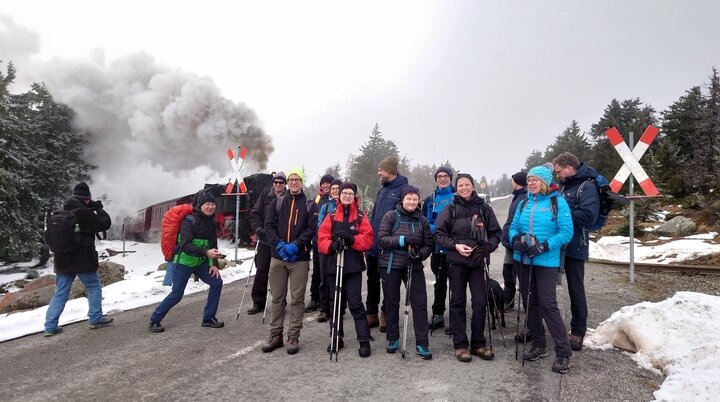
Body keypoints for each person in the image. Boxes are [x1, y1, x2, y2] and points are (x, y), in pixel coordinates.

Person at [509, 163, 574, 373]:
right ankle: (539, 345)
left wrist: (544, 246)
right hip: (524, 260)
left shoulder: (558, 202)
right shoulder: (524, 202)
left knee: (548, 305)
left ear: (545, 182)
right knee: (530, 304)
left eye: (534, 180)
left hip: (546, 262)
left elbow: (566, 233)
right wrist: (515, 240)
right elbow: (513, 227)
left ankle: (564, 353)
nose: (530, 183)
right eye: (528, 180)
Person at [434, 173, 501, 363]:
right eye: (460, 185)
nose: (464, 188)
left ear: (473, 186)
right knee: (458, 302)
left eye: (467, 184)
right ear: (456, 188)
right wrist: (455, 246)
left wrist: (489, 246)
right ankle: (461, 345)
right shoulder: (450, 209)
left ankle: (478, 343)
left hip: (478, 262)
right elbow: (439, 234)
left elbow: (496, 233)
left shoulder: (484, 208)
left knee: (480, 301)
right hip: (456, 262)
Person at [44, 182, 113, 336]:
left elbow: (48, 238)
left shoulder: (59, 214)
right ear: (87, 199)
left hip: (62, 261)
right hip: (83, 261)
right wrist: (98, 208)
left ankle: (50, 326)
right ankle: (95, 318)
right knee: (93, 287)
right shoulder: (83, 213)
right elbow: (105, 223)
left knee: (60, 293)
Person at [149, 193, 225, 333]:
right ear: (200, 205)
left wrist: (213, 263)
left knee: (216, 283)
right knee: (177, 295)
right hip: (183, 262)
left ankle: (208, 318)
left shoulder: (211, 222)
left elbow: (213, 244)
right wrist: (206, 253)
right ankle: (154, 319)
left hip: (200, 262)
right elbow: (185, 246)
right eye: (207, 204)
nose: (210, 207)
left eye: (213, 204)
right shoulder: (189, 221)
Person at [261, 168, 318, 354]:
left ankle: (293, 335)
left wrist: (295, 245)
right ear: (287, 183)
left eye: (297, 179)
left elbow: (311, 230)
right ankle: (275, 334)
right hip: (278, 257)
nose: (294, 182)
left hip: (299, 258)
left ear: (302, 182)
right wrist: (279, 245)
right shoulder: (277, 203)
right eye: (291, 180)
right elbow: (268, 226)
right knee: (277, 297)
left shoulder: (310, 205)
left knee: (297, 299)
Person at [317, 182, 373, 357]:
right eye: (344, 193)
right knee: (336, 303)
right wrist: (332, 245)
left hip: (353, 266)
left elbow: (368, 238)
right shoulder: (332, 216)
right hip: (335, 265)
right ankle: (336, 337)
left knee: (355, 303)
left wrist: (352, 240)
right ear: (339, 196)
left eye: (350, 193)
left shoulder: (361, 216)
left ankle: (363, 339)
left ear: (354, 196)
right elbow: (321, 239)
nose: (347, 196)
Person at [552, 152, 601, 352]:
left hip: (575, 246)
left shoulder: (586, 187)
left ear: (569, 168)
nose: (557, 176)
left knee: (575, 289)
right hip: (559, 245)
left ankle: (578, 331)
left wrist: (561, 212)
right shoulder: (567, 186)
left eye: (558, 172)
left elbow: (589, 216)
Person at [378, 185, 434, 359]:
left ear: (418, 201)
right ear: (402, 200)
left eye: (414, 199)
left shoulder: (422, 220)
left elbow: (428, 244)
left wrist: (421, 254)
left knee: (419, 303)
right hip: (391, 264)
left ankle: (422, 343)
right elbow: (382, 239)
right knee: (392, 302)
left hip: (413, 264)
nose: (411, 201)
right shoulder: (391, 216)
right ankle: (392, 338)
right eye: (408, 198)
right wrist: (402, 240)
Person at [366, 156, 408, 332]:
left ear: (390, 171)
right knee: (372, 279)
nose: (378, 173)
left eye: (381, 170)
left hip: (389, 246)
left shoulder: (403, 189)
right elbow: (375, 216)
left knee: (388, 282)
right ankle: (371, 313)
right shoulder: (382, 190)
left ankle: (385, 313)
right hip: (373, 245)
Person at [247, 171, 287, 315]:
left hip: (281, 240)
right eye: (276, 182)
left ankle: (281, 301)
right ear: (273, 183)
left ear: (285, 184)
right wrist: (257, 228)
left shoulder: (289, 197)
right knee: (262, 269)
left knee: (281, 272)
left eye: (281, 182)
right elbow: (255, 213)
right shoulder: (265, 195)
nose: (278, 185)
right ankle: (258, 302)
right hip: (264, 240)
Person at [422, 166, 455, 332]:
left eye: (445, 176)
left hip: (454, 248)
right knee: (439, 282)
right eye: (439, 176)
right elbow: (425, 221)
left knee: (457, 283)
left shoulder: (457, 196)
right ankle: (438, 315)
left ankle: (456, 318)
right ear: (436, 179)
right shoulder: (430, 198)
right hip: (437, 247)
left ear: (450, 178)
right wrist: (437, 230)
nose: (442, 179)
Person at [315, 179, 343, 323]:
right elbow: (320, 226)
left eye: (338, 188)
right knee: (324, 279)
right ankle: (324, 310)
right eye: (333, 189)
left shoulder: (347, 207)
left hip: (342, 247)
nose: (335, 191)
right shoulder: (325, 208)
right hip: (326, 248)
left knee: (341, 279)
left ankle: (339, 308)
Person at [307, 174, 335, 313]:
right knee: (317, 271)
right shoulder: (317, 199)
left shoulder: (335, 200)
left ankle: (328, 301)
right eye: (323, 183)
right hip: (317, 240)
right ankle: (315, 298)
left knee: (327, 272)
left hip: (329, 241)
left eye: (327, 183)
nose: (325, 186)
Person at [500, 171, 527, 311]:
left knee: (519, 273)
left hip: (517, 242)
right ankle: (508, 300)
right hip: (510, 242)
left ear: (518, 182)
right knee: (508, 271)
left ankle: (527, 304)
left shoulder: (524, 197)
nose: (512, 182)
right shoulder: (517, 196)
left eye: (513, 180)